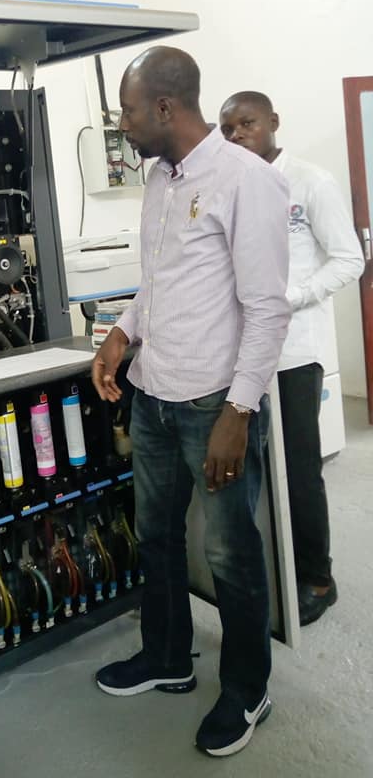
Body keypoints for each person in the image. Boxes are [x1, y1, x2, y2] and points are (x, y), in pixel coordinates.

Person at [91, 47, 291, 758]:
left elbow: (267, 309)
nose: (123, 125)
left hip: (213, 405)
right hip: (153, 396)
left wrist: (239, 412)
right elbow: (159, 281)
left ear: (165, 107)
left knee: (231, 554)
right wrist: (121, 334)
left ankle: (247, 689)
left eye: (129, 111)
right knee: (157, 537)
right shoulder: (160, 179)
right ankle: (168, 657)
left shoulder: (245, 179)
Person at [219, 91, 364, 625]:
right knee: (255, 471)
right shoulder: (231, 187)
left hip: (296, 351)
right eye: (228, 129)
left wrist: (293, 296)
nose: (237, 135)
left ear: (273, 122)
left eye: (247, 124)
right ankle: (274, 566)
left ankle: (319, 579)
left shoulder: (310, 181)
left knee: (300, 469)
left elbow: (349, 259)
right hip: (241, 355)